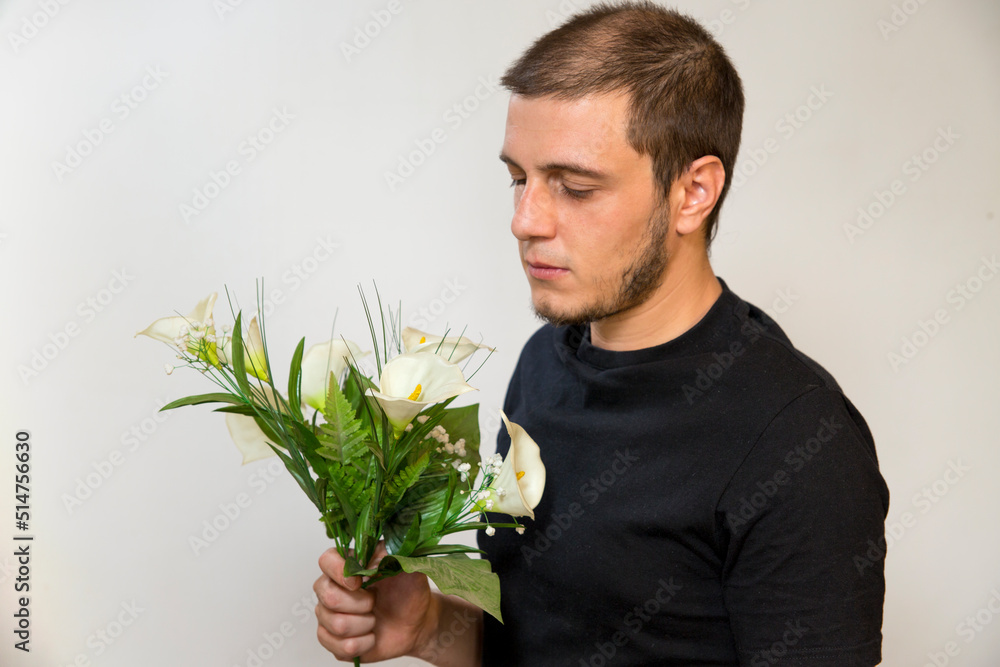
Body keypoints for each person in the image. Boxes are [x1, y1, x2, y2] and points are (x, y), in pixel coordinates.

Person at [314, 2, 890, 665]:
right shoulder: (544, 364)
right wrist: (430, 627)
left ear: (692, 192)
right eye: (519, 179)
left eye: (575, 187)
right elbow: (539, 639)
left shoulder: (798, 444)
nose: (525, 220)